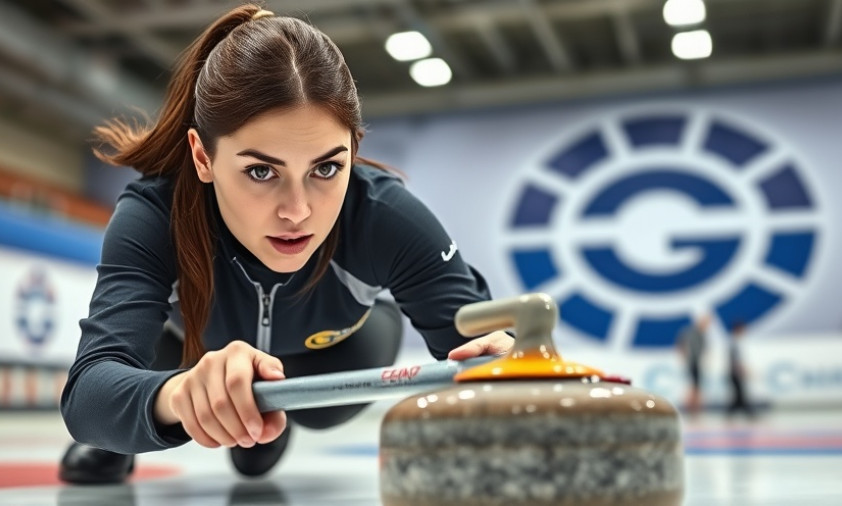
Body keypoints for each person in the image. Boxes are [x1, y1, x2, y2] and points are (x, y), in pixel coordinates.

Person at [58, 4, 513, 484]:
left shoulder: (386, 216)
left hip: (334, 351)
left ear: (353, 151)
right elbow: (88, 394)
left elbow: (484, 348)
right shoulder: (155, 215)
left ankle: (270, 411)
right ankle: (183, 416)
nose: (297, 211)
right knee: (126, 395)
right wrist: (180, 396)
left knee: (318, 411)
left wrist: (506, 362)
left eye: (326, 168)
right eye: (261, 171)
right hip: (189, 352)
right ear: (203, 157)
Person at [676, 313, 710, 417]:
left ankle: (694, 407)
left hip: (696, 362)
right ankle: (692, 407)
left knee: (696, 385)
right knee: (694, 386)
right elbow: (684, 345)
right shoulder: (693, 333)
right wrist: (685, 356)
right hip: (693, 362)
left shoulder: (701, 334)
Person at [726, 321, 755, 419]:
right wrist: (742, 370)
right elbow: (735, 360)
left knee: (739, 396)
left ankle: (732, 414)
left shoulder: (735, 342)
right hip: (735, 373)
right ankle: (749, 414)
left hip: (735, 372)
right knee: (740, 395)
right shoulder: (734, 342)